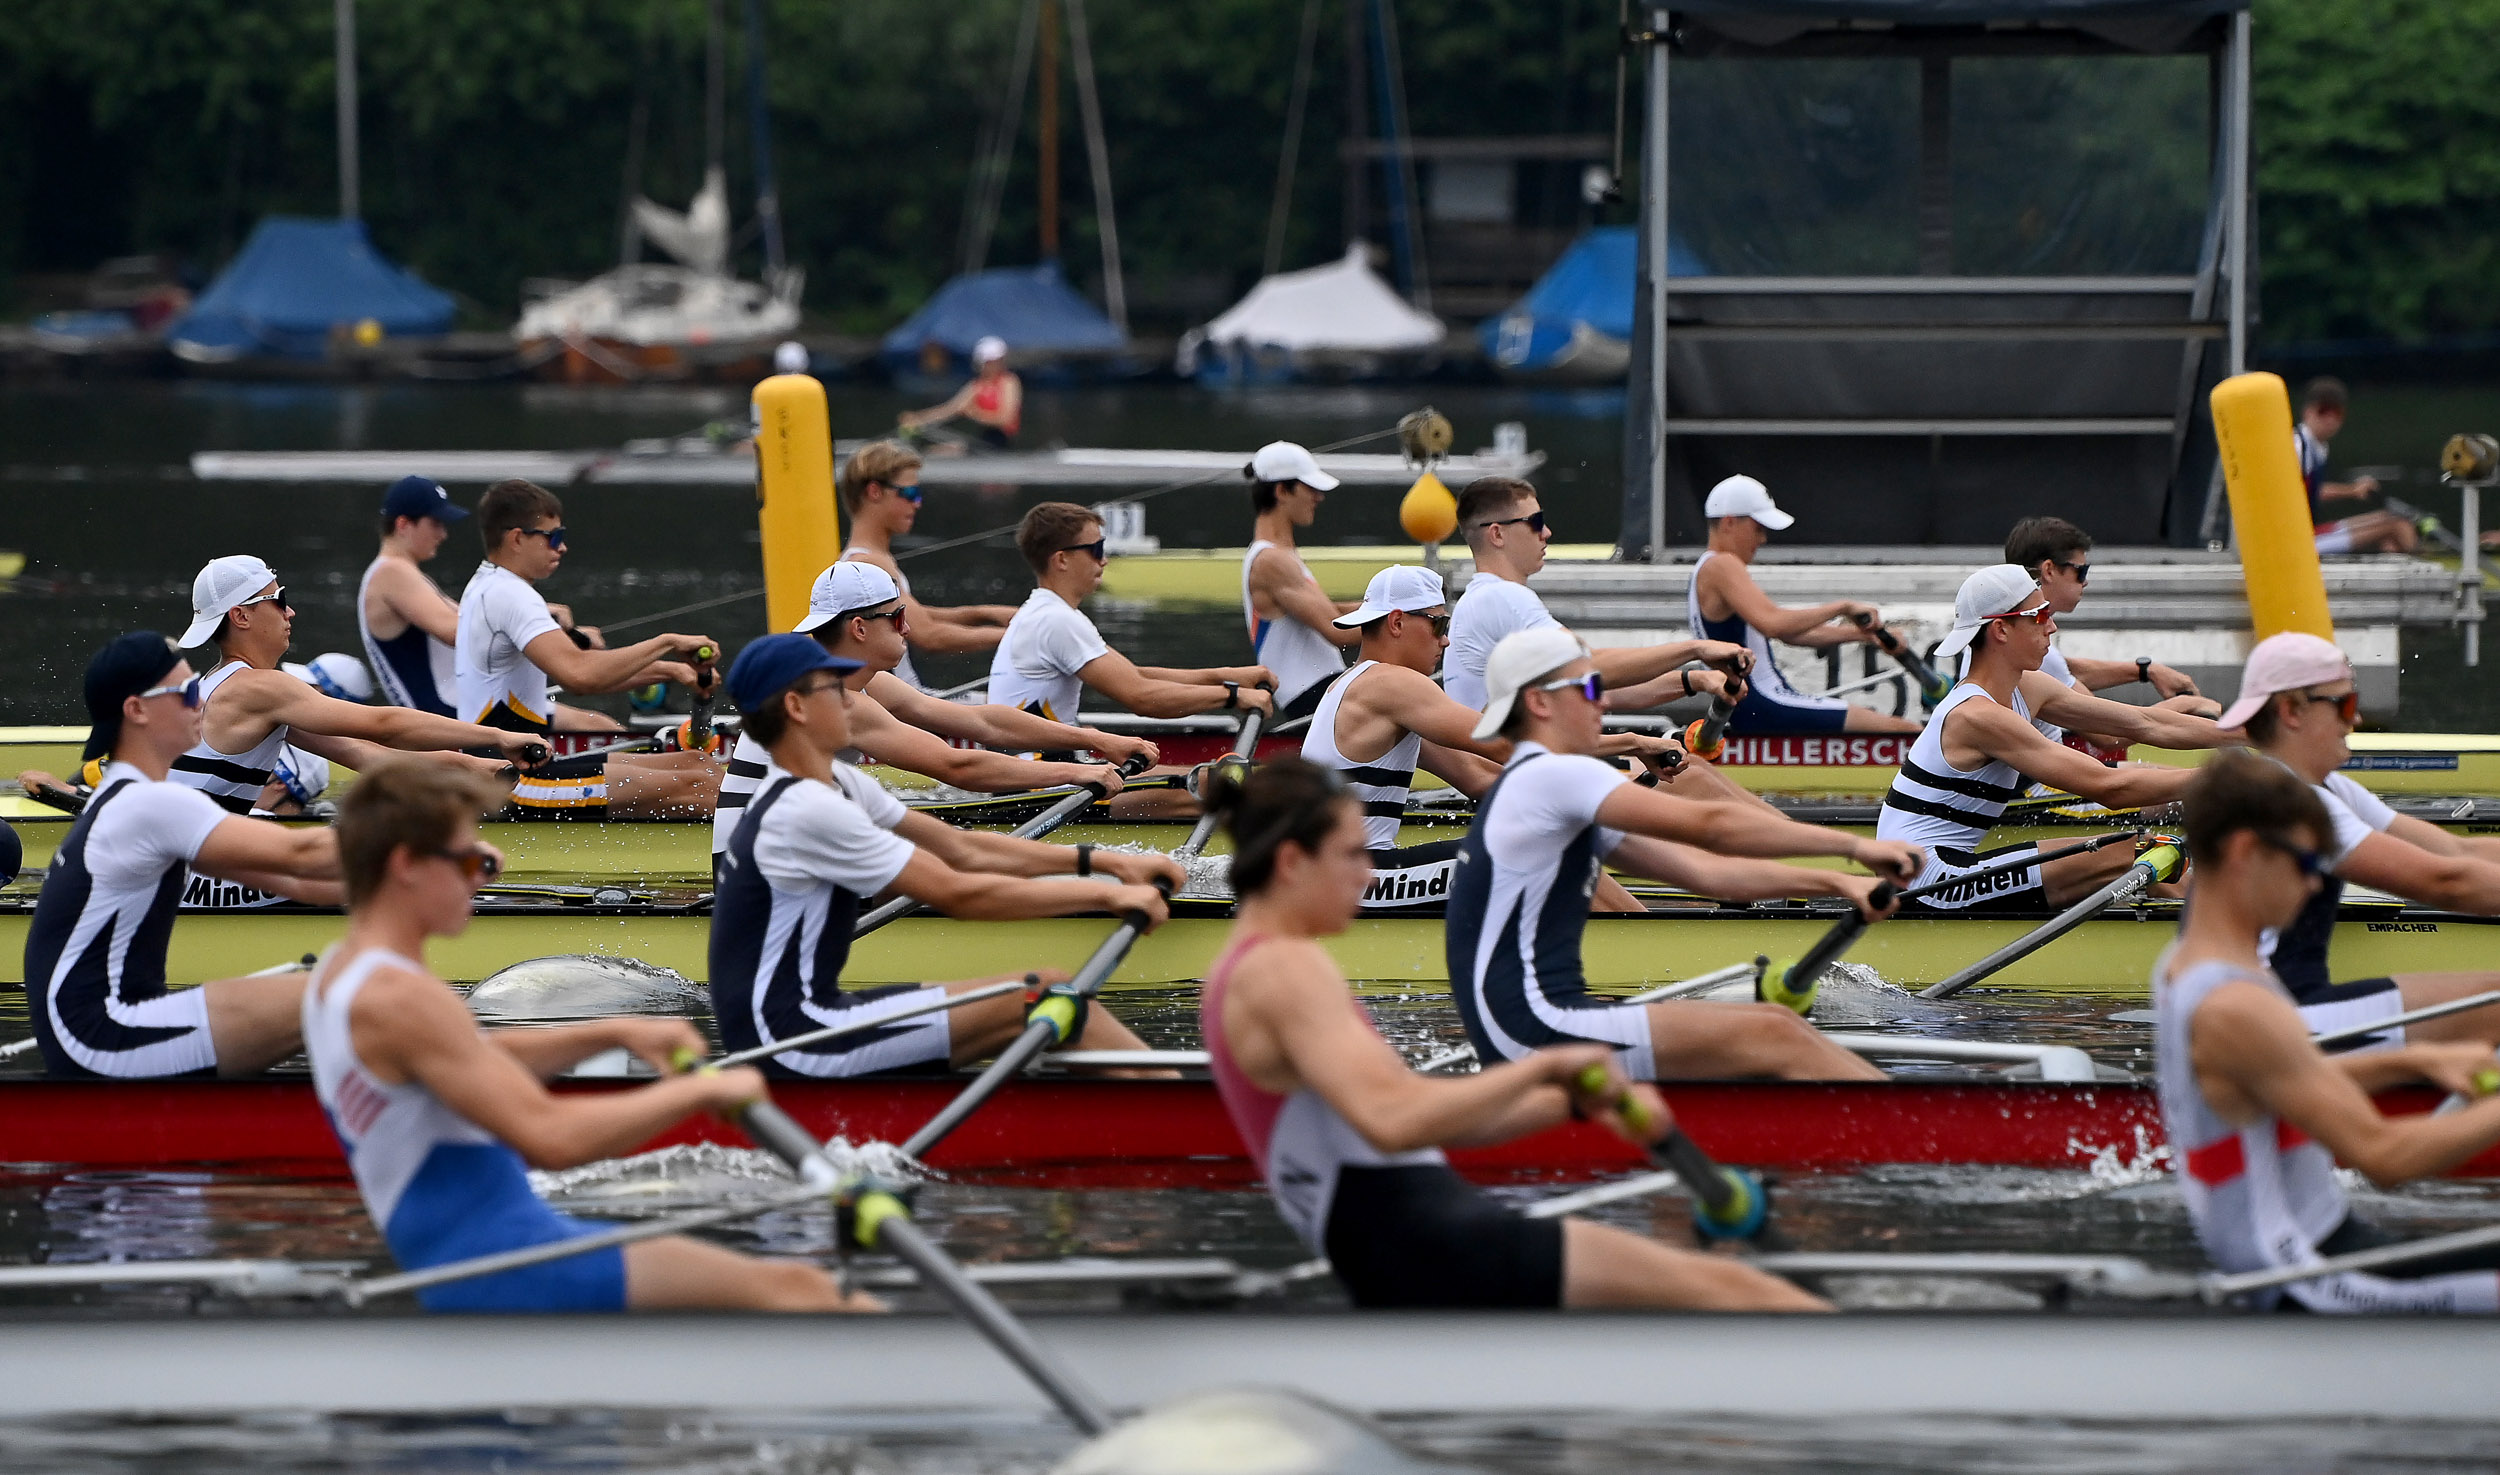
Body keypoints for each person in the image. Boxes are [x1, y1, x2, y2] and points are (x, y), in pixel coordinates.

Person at [1200, 756, 1826, 1311]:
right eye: (1351, 854)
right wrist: (1544, 1067)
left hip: (1407, 1237)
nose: (1368, 874)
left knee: (1713, 1286)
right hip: (1422, 1241)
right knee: (1747, 1293)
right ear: (1290, 862)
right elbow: (1393, 1119)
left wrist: (1569, 1104)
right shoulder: (1283, 968)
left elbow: (1425, 1122)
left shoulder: (1252, 963)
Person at [308, 757, 875, 1313]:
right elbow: (550, 1139)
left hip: (470, 1258)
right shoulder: (403, 999)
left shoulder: (340, 974)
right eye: (471, 860)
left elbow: (470, 1057)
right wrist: (701, 1093)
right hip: (506, 1264)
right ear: (406, 864)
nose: (488, 873)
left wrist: (615, 1031)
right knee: (800, 1287)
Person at [1446, 626, 1916, 1083]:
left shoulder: (1544, 785)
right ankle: (1910, 1142)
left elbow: (1706, 874)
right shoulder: (1554, 776)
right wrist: (1856, 847)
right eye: (1590, 686)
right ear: (1539, 701)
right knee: (1775, 1032)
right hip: (1534, 1030)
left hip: (1522, 1028)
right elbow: (1712, 827)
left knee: (1778, 1028)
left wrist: (1836, 884)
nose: (1604, 700)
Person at [711, 635, 1177, 1076]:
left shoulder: (839, 783)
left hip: (807, 1018)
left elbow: (961, 847)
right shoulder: (807, 809)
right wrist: (1109, 898)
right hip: (788, 1040)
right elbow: (958, 893)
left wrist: (1111, 863)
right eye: (835, 688)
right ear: (796, 707)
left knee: (1049, 1000)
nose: (851, 699)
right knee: (1043, 996)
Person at [2155, 748, 2500, 1312]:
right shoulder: (2236, 1004)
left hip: (2318, 1248)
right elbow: (2383, 1157)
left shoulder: (2189, 964)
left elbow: (2274, 1081)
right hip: (2306, 1280)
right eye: (2309, 864)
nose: (2318, 888)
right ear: (2247, 852)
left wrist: (2413, 1064)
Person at [22, 633, 340, 1080]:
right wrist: (437, 843)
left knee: (348, 988)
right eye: (189, 692)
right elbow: (303, 852)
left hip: (95, 1028)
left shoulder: (125, 794)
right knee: (357, 998)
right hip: (100, 1037)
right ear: (137, 710)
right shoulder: (151, 805)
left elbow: (296, 881)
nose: (202, 703)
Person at [1302, 565, 1697, 912]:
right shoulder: (1392, 683)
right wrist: (1632, 743)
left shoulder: (1369, 689)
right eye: (1439, 624)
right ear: (1398, 622)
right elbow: (1509, 744)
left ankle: (1631, 931)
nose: (1446, 641)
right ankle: (1646, 956)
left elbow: (1480, 776)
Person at [709, 562, 1162, 859]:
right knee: (967, 868)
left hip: (785, 854)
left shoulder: (857, 682)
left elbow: (981, 722)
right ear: (860, 628)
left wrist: (1096, 741)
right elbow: (956, 765)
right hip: (758, 876)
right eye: (897, 616)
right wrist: (1075, 774)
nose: (909, 628)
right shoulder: (830, 699)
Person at [1876, 565, 2230, 912]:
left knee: (2149, 854)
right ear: (2000, 629)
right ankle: (2231, 942)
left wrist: (2250, 732)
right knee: (2138, 853)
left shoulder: (2027, 687)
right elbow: (2110, 788)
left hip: (1945, 866)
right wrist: (2234, 783)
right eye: (2040, 615)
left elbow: (2144, 723)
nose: (2052, 625)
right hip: (1925, 881)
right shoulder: (1976, 716)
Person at [2217, 632, 2500, 1049]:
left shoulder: (2327, 788)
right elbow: (2445, 882)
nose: (2358, 720)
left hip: (2291, 1004)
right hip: (2270, 1019)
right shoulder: (2292, 803)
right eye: (2345, 705)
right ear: (2292, 711)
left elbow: (2458, 851)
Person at [456, 479, 721, 817]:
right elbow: (581, 677)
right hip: (509, 781)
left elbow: (577, 672)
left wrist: (671, 669)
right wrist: (666, 643)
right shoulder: (511, 596)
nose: (562, 547)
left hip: (528, 765)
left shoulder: (490, 585)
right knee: (701, 784)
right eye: (553, 537)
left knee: (697, 761)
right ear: (517, 538)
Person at [1445, 476, 1749, 714]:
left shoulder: (1489, 598)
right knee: (1694, 781)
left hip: (1509, 769)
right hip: (1504, 777)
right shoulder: (1502, 598)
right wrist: (1695, 649)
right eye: (1536, 522)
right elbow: (1589, 667)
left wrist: (1693, 680)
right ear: (1497, 534)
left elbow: (1591, 686)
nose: (1547, 532)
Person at [989, 501, 1276, 724]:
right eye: (1096, 549)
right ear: (1061, 560)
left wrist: (1228, 676)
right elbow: (1142, 698)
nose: (1105, 560)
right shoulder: (1055, 620)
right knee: (1203, 790)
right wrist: (1233, 696)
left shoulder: (1051, 612)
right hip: (1039, 787)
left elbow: (1135, 676)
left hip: (1047, 773)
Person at [1686, 475, 1918, 735]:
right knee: (1907, 732)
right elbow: (1774, 624)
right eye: (1758, 528)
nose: (1762, 539)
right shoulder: (1722, 565)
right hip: (1763, 704)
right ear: (1729, 522)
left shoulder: (1705, 568)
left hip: (1751, 705)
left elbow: (1788, 633)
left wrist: (1862, 636)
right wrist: (1843, 607)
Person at [2002, 516, 2219, 733]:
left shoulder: (2019, 633)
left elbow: (2067, 670)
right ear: (2048, 570)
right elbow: (2108, 732)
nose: (2085, 581)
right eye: (2081, 571)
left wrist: (2146, 670)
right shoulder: (2032, 647)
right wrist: (2190, 705)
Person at [835, 441, 1016, 691]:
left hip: (914, 700)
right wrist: (1020, 635)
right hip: (905, 708)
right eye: (909, 494)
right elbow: (929, 635)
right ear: (875, 491)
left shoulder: (874, 558)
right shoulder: (867, 564)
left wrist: (984, 613)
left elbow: (917, 614)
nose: (917, 503)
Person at [1242, 441, 1358, 720]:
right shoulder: (1271, 561)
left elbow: (1331, 612)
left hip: (1325, 690)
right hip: (1310, 698)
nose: (1319, 497)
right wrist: (1413, 620)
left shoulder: (1283, 554)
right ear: (1282, 491)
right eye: (1311, 489)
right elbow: (1338, 632)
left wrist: (1391, 605)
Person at [360, 475, 470, 716]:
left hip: (453, 715)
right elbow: (458, 630)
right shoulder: (392, 573)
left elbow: (470, 615)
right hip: (447, 725)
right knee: (574, 720)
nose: (443, 535)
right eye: (436, 524)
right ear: (403, 525)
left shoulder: (401, 572)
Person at [2297, 378, 2416, 557]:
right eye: (2323, 411)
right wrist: (2352, 491)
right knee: (2396, 526)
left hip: (2310, 533)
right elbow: (2300, 494)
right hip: (2297, 542)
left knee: (2390, 522)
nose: (2330, 420)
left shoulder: (2319, 448)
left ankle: (2410, 573)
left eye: (2336, 413)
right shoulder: (2297, 446)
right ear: (2307, 412)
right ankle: (2427, 571)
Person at [899, 335, 1021, 449]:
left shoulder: (1009, 382)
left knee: (950, 450)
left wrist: (975, 414)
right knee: (936, 451)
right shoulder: (976, 386)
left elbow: (1005, 419)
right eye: (990, 362)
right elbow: (949, 410)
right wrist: (918, 418)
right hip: (985, 439)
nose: (995, 365)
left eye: (997, 361)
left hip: (1003, 442)